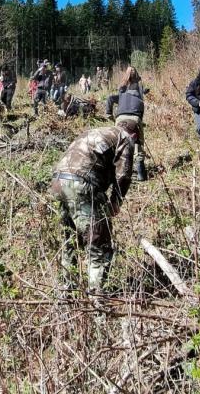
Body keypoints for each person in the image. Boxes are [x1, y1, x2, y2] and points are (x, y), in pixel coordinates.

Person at [51, 123, 137, 293]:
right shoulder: (125, 138)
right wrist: (115, 202)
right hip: (83, 185)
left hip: (58, 181)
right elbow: (124, 175)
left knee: (70, 240)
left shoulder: (97, 131)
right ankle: (97, 298)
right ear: (135, 135)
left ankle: (67, 292)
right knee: (98, 242)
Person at [106, 66, 148, 181]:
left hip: (120, 118)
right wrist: (140, 119)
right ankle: (141, 175)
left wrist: (109, 114)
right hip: (135, 118)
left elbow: (110, 98)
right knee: (138, 146)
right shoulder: (139, 88)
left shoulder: (122, 89)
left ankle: (116, 173)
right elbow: (141, 104)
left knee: (118, 145)